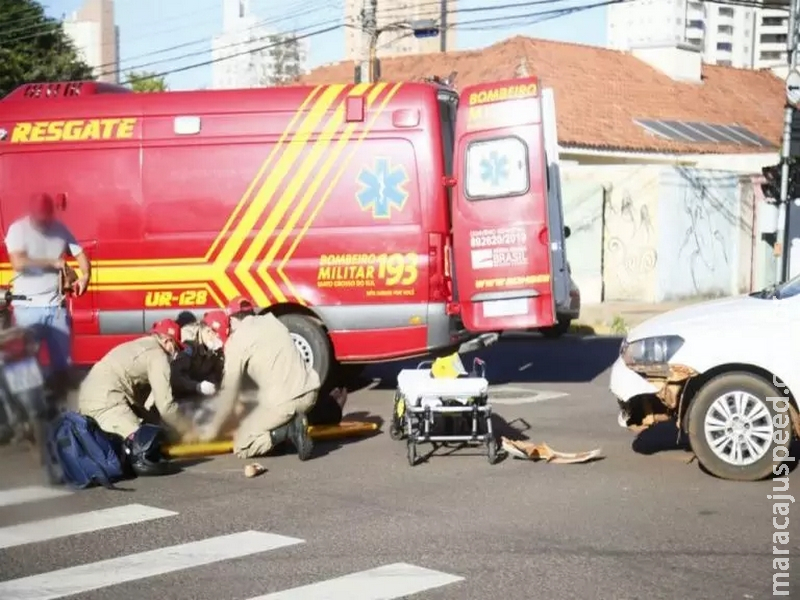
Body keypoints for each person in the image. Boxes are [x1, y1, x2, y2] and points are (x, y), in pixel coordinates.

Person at [199, 300, 318, 460]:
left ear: (233, 319)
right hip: (310, 394)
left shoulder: (237, 340)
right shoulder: (273, 322)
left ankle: (289, 430)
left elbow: (229, 393)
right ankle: (287, 426)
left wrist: (213, 427)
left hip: (285, 403)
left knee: (243, 445)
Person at [3, 193, 90, 396]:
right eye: (39, 217)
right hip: (27, 308)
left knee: (63, 368)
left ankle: (61, 413)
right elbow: (18, 262)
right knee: (25, 370)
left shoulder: (60, 230)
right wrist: (53, 262)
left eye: (46, 217)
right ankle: (26, 418)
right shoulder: (18, 229)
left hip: (55, 307)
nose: (44, 222)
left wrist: (85, 276)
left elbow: (80, 253)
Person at [77, 319, 196, 444]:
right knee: (144, 446)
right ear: (167, 341)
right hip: (106, 404)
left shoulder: (141, 345)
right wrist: (187, 429)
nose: (176, 354)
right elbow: (165, 407)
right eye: (176, 348)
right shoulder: (158, 356)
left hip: (90, 396)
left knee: (154, 430)